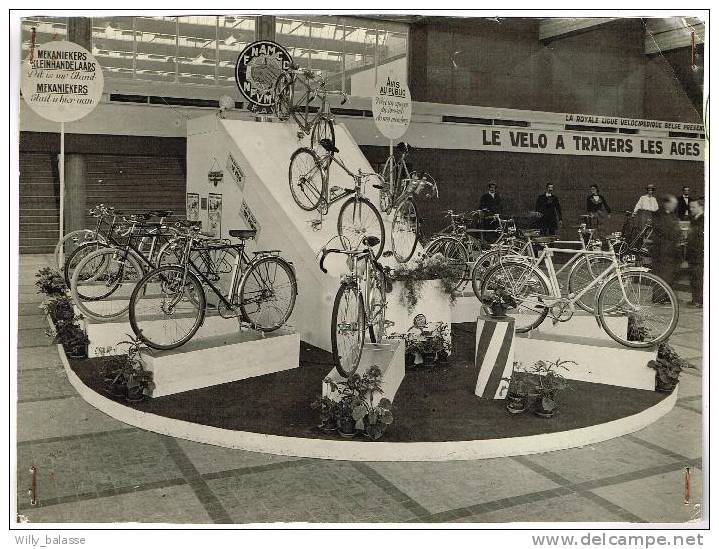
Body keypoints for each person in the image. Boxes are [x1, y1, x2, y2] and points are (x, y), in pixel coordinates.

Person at [650, 195, 682, 292]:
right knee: (661, 274)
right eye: (673, 204)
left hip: (670, 250)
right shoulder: (658, 214)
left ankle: (667, 296)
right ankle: (659, 297)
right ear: (667, 204)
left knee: (669, 274)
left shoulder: (671, 214)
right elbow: (664, 230)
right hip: (661, 250)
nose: (675, 206)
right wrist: (676, 231)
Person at [685, 197, 704, 307]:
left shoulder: (704, 220)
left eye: (693, 207)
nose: (691, 209)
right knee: (693, 277)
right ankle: (695, 299)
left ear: (701, 207)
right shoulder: (694, 219)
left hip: (699, 254)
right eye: (690, 207)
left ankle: (700, 301)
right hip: (692, 254)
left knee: (699, 278)